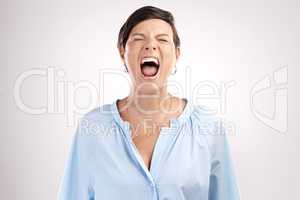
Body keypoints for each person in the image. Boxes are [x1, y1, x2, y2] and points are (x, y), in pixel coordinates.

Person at [58, 6, 240, 200]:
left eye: (162, 39)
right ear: (122, 52)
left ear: (177, 54)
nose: (150, 46)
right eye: (138, 39)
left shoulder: (209, 126)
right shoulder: (92, 128)